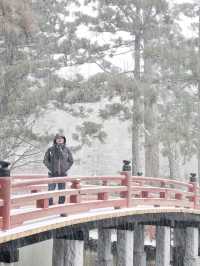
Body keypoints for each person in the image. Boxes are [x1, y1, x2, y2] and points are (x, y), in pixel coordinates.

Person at [43, 134, 74, 205]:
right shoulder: (50, 149)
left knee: (62, 191)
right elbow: (45, 160)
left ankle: (61, 206)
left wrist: (65, 168)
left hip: (63, 174)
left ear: (64, 140)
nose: (60, 139)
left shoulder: (67, 150)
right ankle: (50, 205)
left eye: (61, 138)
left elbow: (71, 161)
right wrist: (51, 168)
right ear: (55, 140)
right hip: (52, 174)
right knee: (51, 190)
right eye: (58, 138)